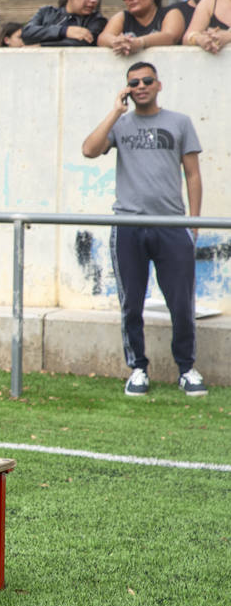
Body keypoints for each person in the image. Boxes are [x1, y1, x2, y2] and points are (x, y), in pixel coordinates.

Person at [80, 61, 205, 397]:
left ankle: (186, 368)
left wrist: (193, 222)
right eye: (134, 82)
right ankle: (138, 369)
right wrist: (114, 112)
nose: (141, 86)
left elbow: (192, 174)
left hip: (172, 225)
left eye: (147, 80)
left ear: (158, 85)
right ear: (127, 89)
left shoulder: (180, 122)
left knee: (181, 303)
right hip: (128, 225)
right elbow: (89, 150)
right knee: (131, 303)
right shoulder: (121, 124)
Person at [97, 0, 184, 57]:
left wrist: (140, 42)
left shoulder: (171, 13)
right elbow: (103, 38)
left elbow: (170, 37)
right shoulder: (122, 17)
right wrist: (118, 42)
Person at [20, 0, 106, 47]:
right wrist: (63, 31)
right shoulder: (46, 12)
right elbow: (27, 32)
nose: (94, 0)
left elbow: (83, 42)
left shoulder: (97, 21)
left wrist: (42, 46)